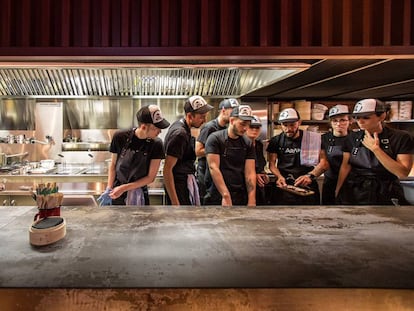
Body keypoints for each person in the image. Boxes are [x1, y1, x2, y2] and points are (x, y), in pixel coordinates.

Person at [336, 98, 414, 205]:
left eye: (366, 117)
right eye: (357, 117)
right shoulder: (352, 138)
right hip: (355, 191)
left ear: (382, 116)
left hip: (386, 192)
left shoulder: (401, 138)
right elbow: (345, 167)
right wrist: (338, 190)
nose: (360, 121)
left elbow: (402, 173)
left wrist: (376, 149)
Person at [97, 104, 170, 206]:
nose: (160, 131)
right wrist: (109, 188)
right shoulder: (120, 137)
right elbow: (113, 165)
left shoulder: (157, 144)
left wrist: (124, 188)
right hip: (117, 194)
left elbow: (150, 178)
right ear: (144, 127)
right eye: (157, 128)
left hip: (139, 195)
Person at [266, 108, 326, 205]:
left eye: (292, 125)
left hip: (307, 184)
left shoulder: (312, 139)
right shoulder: (275, 141)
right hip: (285, 185)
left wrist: (310, 175)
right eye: (285, 125)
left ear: (299, 122)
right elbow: (272, 164)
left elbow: (324, 163)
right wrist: (279, 176)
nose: (288, 129)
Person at [163, 95, 214, 205]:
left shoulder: (183, 126)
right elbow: (167, 170)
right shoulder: (180, 134)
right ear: (190, 116)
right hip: (179, 186)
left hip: (183, 183)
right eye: (201, 117)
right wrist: (175, 203)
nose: (205, 120)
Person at [204, 105, 256, 206]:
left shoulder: (248, 143)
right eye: (242, 124)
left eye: (248, 124)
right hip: (217, 195)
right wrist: (225, 195)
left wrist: (251, 199)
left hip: (239, 195)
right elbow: (213, 167)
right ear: (232, 121)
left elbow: (250, 172)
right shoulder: (215, 139)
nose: (246, 128)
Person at [195, 98, 239, 202]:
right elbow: (197, 151)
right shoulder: (210, 127)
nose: (235, 114)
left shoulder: (226, 129)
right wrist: (214, 151)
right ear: (223, 110)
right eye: (233, 111)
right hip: (205, 173)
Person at [320, 104, 352, 205]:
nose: (339, 124)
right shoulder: (323, 139)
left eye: (342, 120)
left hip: (351, 184)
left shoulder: (356, 138)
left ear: (350, 121)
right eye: (335, 120)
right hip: (330, 182)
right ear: (330, 122)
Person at [245, 115, 270, 205]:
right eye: (252, 127)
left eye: (257, 127)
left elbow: (260, 163)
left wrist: (263, 173)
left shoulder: (259, 145)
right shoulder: (241, 144)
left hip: (259, 187)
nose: (254, 130)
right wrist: (255, 175)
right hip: (244, 187)